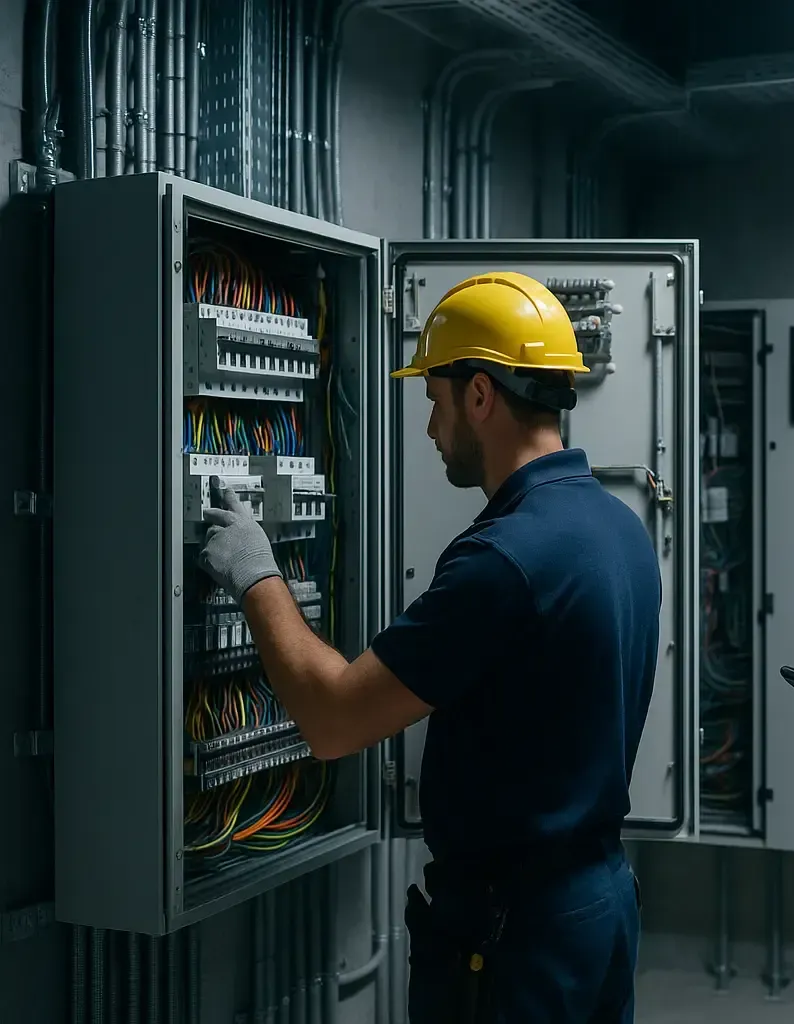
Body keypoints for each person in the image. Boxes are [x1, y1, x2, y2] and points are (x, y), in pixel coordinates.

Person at [197, 271, 660, 1023]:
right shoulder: (621, 528)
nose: (429, 428)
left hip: (516, 932)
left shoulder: (505, 559)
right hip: (598, 904)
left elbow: (333, 718)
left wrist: (255, 574)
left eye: (433, 402)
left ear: (480, 394)